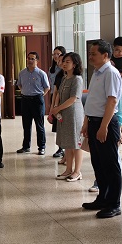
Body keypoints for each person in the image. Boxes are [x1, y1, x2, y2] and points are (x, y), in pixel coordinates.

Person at [80, 40, 122, 218]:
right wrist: (86, 123)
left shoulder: (111, 73)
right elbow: (93, 100)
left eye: (94, 54)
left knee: (110, 164)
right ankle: (103, 198)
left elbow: (112, 101)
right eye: (90, 53)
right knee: (98, 163)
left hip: (106, 123)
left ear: (105, 55)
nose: (90, 57)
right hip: (94, 121)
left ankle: (114, 203)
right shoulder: (97, 72)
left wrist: (103, 126)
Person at [50, 52, 84, 181]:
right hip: (63, 113)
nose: (64, 64)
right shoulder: (64, 78)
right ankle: (68, 169)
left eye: (67, 62)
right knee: (68, 143)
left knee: (76, 143)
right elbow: (59, 94)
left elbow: (73, 98)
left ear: (75, 64)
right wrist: (55, 107)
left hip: (73, 114)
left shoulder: (77, 79)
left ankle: (77, 171)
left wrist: (58, 108)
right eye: (63, 61)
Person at [17, 51, 50, 155]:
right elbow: (19, 84)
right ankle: (26, 146)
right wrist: (25, 92)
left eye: (32, 59)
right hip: (25, 100)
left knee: (39, 125)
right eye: (28, 58)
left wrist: (40, 95)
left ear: (37, 61)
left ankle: (42, 147)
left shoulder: (41, 73)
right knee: (26, 125)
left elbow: (47, 87)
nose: (30, 61)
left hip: (37, 100)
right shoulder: (22, 73)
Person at [49, 46, 66, 159]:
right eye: (54, 54)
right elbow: (55, 91)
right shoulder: (56, 72)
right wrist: (53, 107)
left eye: (58, 55)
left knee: (64, 126)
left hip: (65, 102)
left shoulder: (69, 74)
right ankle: (61, 148)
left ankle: (65, 149)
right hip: (55, 100)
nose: (56, 57)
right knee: (58, 125)